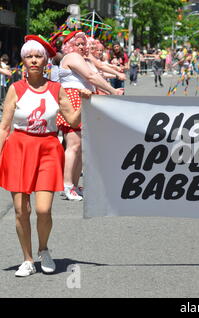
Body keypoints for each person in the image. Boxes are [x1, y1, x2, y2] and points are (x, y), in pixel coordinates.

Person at [0, 35, 89, 277]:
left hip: (48, 149)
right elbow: (4, 127)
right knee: (20, 210)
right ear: (23, 61)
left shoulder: (56, 89)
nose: (34, 60)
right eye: (29, 56)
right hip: (18, 149)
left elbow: (71, 120)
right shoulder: (14, 89)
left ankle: (43, 249)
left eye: (38, 56)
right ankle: (27, 258)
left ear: (46, 60)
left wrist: (83, 103)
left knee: (43, 210)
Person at [57, 31, 123, 201]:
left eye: (82, 43)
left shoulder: (82, 58)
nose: (81, 46)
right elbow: (91, 76)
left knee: (80, 147)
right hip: (73, 99)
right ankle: (67, 185)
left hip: (83, 98)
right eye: (77, 43)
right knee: (73, 145)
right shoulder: (72, 56)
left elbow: (96, 72)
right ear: (69, 46)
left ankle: (73, 184)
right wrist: (113, 91)